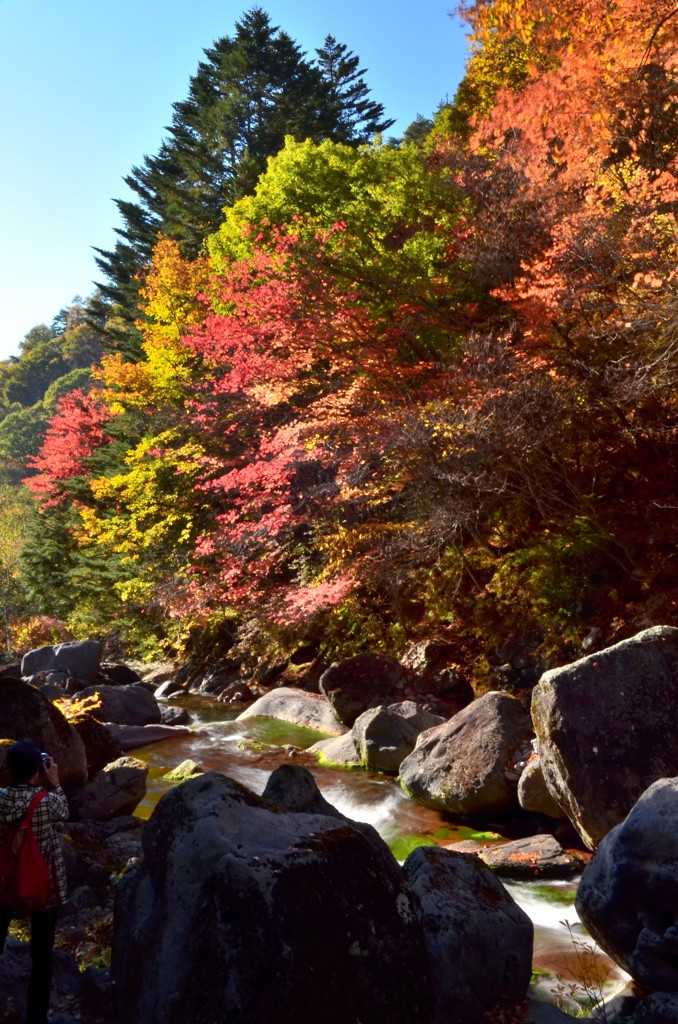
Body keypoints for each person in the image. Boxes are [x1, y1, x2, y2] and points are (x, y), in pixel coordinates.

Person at [0, 740, 69, 1024]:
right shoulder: (47, 801)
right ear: (39, 770)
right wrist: (55, 782)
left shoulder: (0, 797)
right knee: (42, 955)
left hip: (5, 879)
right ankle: (36, 1018)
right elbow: (65, 812)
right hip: (44, 883)